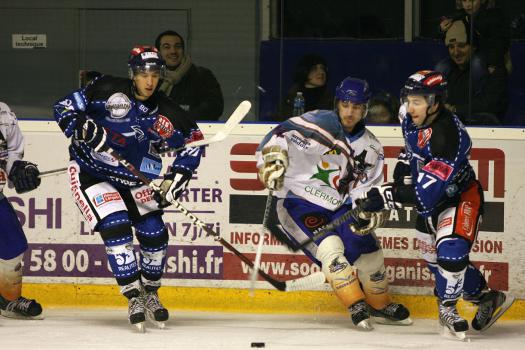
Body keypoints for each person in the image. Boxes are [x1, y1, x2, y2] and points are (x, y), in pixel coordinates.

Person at [52, 46, 204, 330]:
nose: (150, 81)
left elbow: (195, 144)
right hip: (92, 173)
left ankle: (150, 293)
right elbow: (63, 107)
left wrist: (177, 178)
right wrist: (80, 126)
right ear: (132, 73)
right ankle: (133, 295)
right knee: (116, 225)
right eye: (143, 73)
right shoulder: (105, 88)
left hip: (135, 179)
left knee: (154, 232)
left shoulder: (168, 112)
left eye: (155, 74)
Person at [359, 70, 514, 339]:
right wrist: (398, 177)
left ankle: (448, 309)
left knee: (451, 254)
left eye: (418, 101)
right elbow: (410, 149)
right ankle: (486, 297)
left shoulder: (447, 137)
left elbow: (425, 197)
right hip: (430, 197)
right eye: (408, 99)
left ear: (435, 102)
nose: (410, 106)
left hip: (460, 197)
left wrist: (386, 195)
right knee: (434, 260)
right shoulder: (408, 114)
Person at [256, 77, 411, 330]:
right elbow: (279, 136)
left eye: (357, 106)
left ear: (365, 108)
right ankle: (355, 303)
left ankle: (379, 305)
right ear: (337, 103)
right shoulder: (316, 122)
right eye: (346, 104)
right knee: (331, 250)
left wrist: (369, 210)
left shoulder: (371, 147)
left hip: (340, 206)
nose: (350, 112)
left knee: (370, 255)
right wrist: (272, 161)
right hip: (299, 201)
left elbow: (366, 188)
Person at [0, 101, 43, 319]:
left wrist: (18, 170)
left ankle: (8, 300)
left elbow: (12, 153)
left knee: (13, 245)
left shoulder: (3, 114)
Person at [435, 19, 508, 124]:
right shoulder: (447, 72)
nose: (456, 52)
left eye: (461, 46)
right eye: (451, 47)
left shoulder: (492, 71)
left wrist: (455, 109)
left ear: (473, 46)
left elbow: (492, 104)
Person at [155, 30, 224, 122]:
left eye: (178, 46)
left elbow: (214, 107)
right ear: (158, 52)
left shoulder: (202, 76)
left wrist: (181, 119)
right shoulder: (150, 78)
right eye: (167, 47)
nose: (173, 51)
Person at [439, 0, 511, 73]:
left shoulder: (494, 17)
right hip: (470, 54)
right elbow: (448, 20)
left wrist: (493, 64)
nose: (468, 5)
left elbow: (499, 44)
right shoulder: (463, 14)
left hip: (491, 57)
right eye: (464, 1)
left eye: (472, 1)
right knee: (442, 67)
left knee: (476, 64)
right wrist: (442, 29)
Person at [276, 54, 334, 121]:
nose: (321, 72)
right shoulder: (290, 99)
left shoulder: (332, 100)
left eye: (322, 68)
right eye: (314, 68)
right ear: (304, 71)